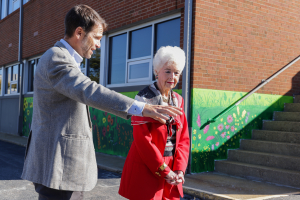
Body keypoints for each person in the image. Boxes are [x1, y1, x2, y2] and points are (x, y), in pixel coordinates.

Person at [21, 5, 182, 200]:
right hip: (57, 167)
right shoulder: (57, 57)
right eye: (96, 37)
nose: (98, 44)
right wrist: (142, 108)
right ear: (79, 32)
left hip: (64, 169)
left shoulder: (67, 60)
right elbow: (89, 91)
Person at [119, 46, 190, 200]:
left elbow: (183, 139)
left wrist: (179, 170)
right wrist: (164, 170)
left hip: (172, 168)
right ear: (157, 71)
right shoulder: (143, 98)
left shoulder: (178, 100)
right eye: (167, 71)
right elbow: (142, 141)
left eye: (176, 72)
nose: (172, 77)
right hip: (146, 166)